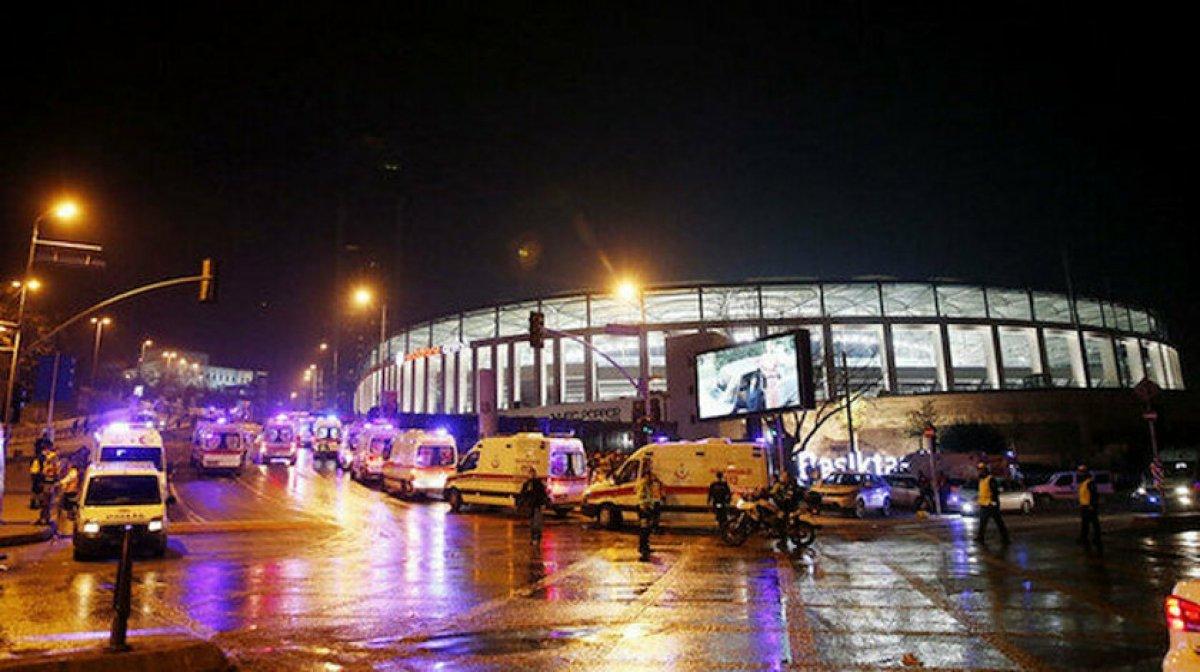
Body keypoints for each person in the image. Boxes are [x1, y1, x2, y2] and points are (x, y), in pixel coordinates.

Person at [974, 462, 1009, 545]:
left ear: (985, 470)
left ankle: (1006, 538)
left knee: (999, 522)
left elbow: (995, 491)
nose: (979, 472)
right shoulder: (981, 480)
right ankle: (980, 537)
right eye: (979, 470)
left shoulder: (990, 479)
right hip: (984, 504)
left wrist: (993, 502)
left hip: (991, 505)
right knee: (982, 522)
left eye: (981, 470)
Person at [518, 467, 549, 544]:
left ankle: (537, 537)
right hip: (530, 506)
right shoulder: (527, 483)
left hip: (537, 505)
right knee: (532, 523)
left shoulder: (538, 483)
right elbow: (523, 494)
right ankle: (533, 538)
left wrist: (543, 503)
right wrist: (521, 504)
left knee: (536, 523)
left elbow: (543, 494)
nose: (531, 475)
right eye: (530, 473)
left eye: (532, 473)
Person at [1076, 464, 1102, 550]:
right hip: (1084, 505)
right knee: (1085, 523)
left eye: (1080, 472)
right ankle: (1084, 538)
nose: (1078, 474)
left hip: (1089, 506)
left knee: (1094, 523)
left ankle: (1097, 538)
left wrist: (1092, 505)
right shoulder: (1083, 483)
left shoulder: (1090, 482)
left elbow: (1094, 494)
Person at [36, 448, 61, 527]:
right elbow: (53, 472)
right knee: (47, 502)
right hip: (49, 484)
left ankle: (45, 518)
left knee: (47, 502)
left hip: (49, 483)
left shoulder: (49, 462)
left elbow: (48, 472)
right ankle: (45, 518)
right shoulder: (51, 461)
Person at [635, 468, 657, 561]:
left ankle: (645, 547)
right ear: (646, 476)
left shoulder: (648, 484)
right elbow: (641, 497)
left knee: (647, 530)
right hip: (643, 509)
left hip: (647, 508)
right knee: (644, 530)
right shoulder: (643, 484)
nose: (651, 478)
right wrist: (644, 507)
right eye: (650, 476)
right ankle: (643, 549)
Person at [56, 462, 81, 536]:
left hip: (70, 493)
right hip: (70, 493)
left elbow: (68, 479)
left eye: (69, 464)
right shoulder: (72, 472)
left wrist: (59, 483)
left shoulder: (73, 472)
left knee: (66, 511)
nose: (68, 466)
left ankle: (67, 531)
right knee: (66, 510)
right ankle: (65, 530)